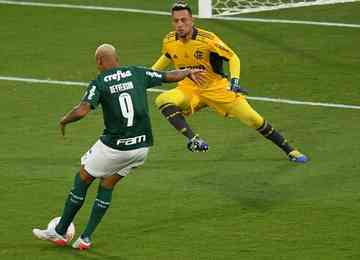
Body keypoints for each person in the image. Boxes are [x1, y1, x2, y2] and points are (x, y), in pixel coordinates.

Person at [32, 43, 204, 250]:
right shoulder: (137, 72)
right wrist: (188, 72)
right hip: (141, 147)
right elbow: (169, 75)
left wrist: (64, 120)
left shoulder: (100, 82)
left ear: (99, 62)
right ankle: (85, 238)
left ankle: (59, 231)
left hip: (115, 147)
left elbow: (82, 110)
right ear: (117, 59)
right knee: (107, 184)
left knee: (83, 178)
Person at [151, 1, 308, 162]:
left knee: (254, 119)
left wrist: (234, 81)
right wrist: (149, 75)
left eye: (184, 20)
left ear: (192, 20)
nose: (180, 24)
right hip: (189, 89)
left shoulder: (208, 40)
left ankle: (291, 150)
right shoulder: (169, 40)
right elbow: (167, 56)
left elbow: (233, 57)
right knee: (163, 99)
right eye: (176, 21)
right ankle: (194, 139)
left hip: (217, 88)